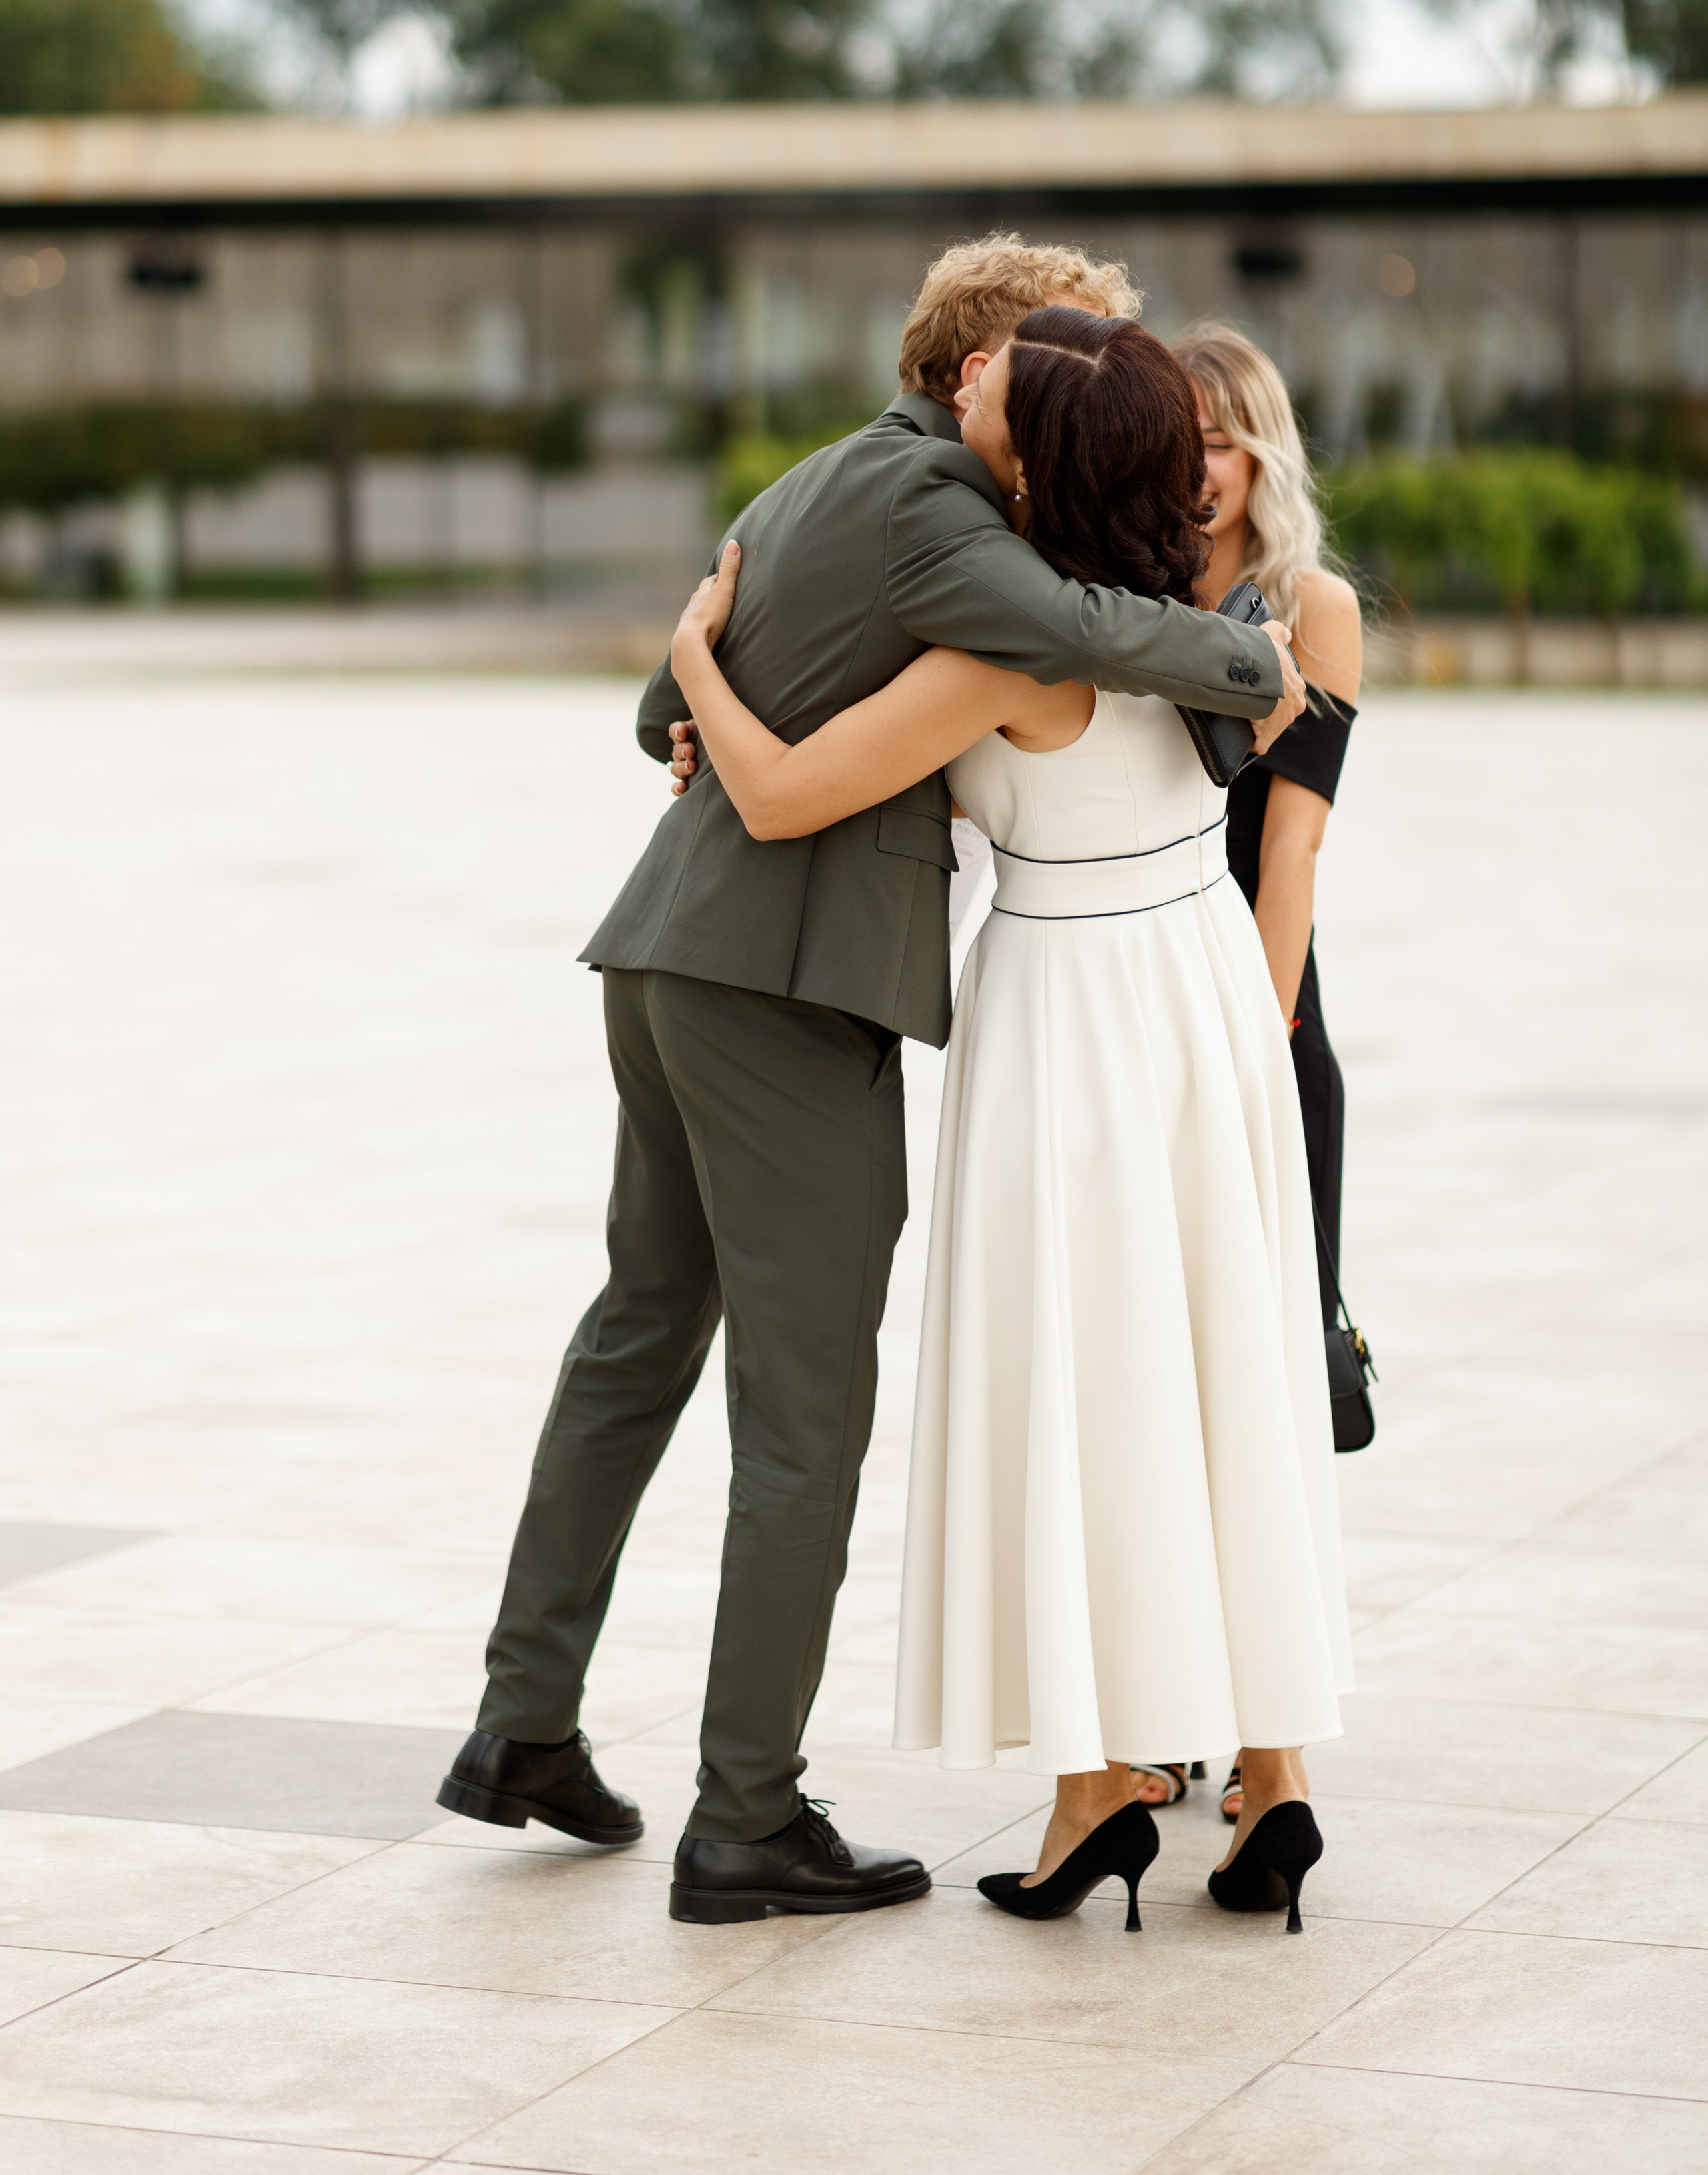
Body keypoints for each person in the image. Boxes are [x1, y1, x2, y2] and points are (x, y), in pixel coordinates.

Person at [436, 237, 1304, 1925]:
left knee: (636, 1335)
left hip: (669, 958)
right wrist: (1257, 662)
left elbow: (657, 709)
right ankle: (744, 1818)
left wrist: (703, 688)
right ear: (987, 373)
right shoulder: (942, 517)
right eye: (1074, 362)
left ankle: (522, 1724)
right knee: (806, 1415)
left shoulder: (815, 478)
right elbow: (1075, 633)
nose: (1103, 390)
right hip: (779, 988)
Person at [665, 306, 1351, 1937]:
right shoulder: (1218, 623)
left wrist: (695, 660)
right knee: (1223, 1367)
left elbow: (775, 792)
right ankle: (1273, 1774)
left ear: (1043, 467)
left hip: (1068, 1009)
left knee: (1084, 1387)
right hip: (1204, 990)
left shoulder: (994, 658)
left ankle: (1090, 1792)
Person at [1176, 321, 1363, 1827]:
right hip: (1126, 1013)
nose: (1199, 468)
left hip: (1260, 1023)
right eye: (1176, 439)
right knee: (1155, 1381)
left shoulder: (1311, 609)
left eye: (1222, 440)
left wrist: (1249, 1051)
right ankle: (1164, 1704)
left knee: (1266, 1382)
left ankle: (1268, 1736)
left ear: (1262, 453)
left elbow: (1287, 858)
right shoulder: (1107, 589)